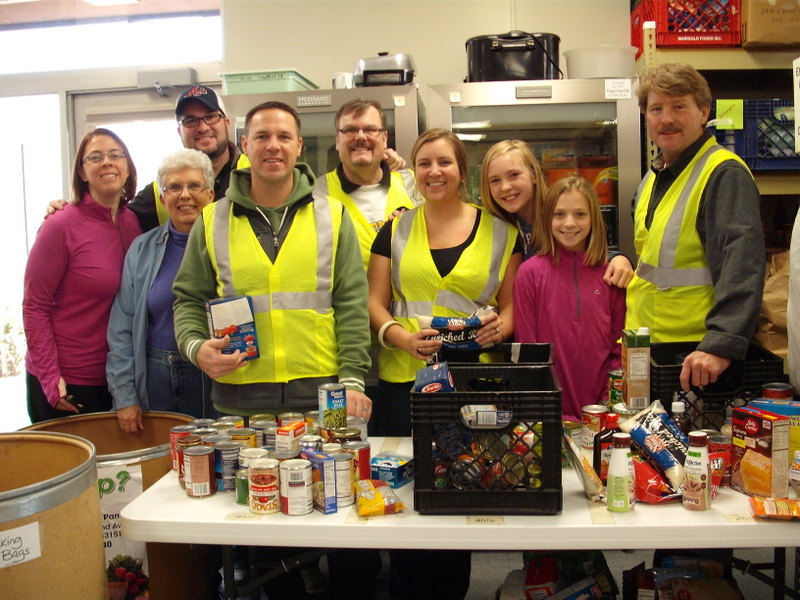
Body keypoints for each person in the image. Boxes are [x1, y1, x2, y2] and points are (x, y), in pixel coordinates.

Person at [367, 128, 521, 600]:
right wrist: (400, 336)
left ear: (461, 170)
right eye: (425, 163)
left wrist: (504, 326)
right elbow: (375, 303)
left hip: (473, 384)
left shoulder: (503, 232)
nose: (435, 172)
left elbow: (516, 305)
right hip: (402, 384)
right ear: (414, 171)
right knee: (404, 496)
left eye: (445, 163)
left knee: (461, 495)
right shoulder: (394, 229)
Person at [172, 99, 371, 419]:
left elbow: (352, 303)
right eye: (262, 137)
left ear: (299, 146)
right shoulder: (212, 219)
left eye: (284, 137)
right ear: (245, 145)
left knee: (334, 471)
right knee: (244, 472)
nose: (273, 146)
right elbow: (188, 300)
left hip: (325, 396)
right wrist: (196, 349)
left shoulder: (333, 215)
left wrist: (352, 378)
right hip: (238, 401)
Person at [627, 62, 765, 392]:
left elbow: (742, 261)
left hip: (698, 362)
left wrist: (721, 342)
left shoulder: (722, 173)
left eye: (679, 107)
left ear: (703, 111)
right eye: (656, 108)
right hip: (651, 354)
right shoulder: (653, 178)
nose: (666, 119)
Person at [23, 128, 141, 423]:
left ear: (127, 167)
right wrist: (51, 378)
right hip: (66, 383)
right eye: (96, 157)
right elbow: (34, 306)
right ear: (82, 171)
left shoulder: (132, 222)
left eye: (116, 155)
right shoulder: (60, 225)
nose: (107, 163)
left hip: (115, 378)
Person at [107, 149, 218, 433]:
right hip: (155, 376)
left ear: (211, 194)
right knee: (162, 465)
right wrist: (126, 396)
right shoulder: (142, 250)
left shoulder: (230, 247)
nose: (185, 195)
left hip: (212, 376)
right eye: (174, 187)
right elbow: (122, 328)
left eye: (194, 186)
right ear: (162, 198)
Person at [47, 85, 249, 233]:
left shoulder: (254, 176)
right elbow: (112, 220)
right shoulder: (158, 193)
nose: (203, 127)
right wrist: (69, 211)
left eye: (211, 116)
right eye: (191, 120)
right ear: (180, 131)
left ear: (226, 123)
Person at [513, 176, 626, 422]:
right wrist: (547, 408)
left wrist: (608, 405)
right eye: (559, 214)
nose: (570, 223)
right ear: (547, 219)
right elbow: (529, 351)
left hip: (602, 415)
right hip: (549, 415)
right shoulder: (530, 274)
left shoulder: (610, 275)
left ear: (594, 219)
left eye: (580, 214)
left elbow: (620, 348)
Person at [480, 139, 634, 288]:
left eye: (514, 175)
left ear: (535, 174)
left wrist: (617, 258)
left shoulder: (561, 212)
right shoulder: (494, 225)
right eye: (495, 180)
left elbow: (592, 247)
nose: (505, 187)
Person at [315, 98, 419, 269]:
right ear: (337, 140)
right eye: (350, 130)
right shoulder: (316, 194)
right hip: (347, 296)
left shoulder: (414, 185)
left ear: (384, 138)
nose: (360, 136)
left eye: (370, 129)